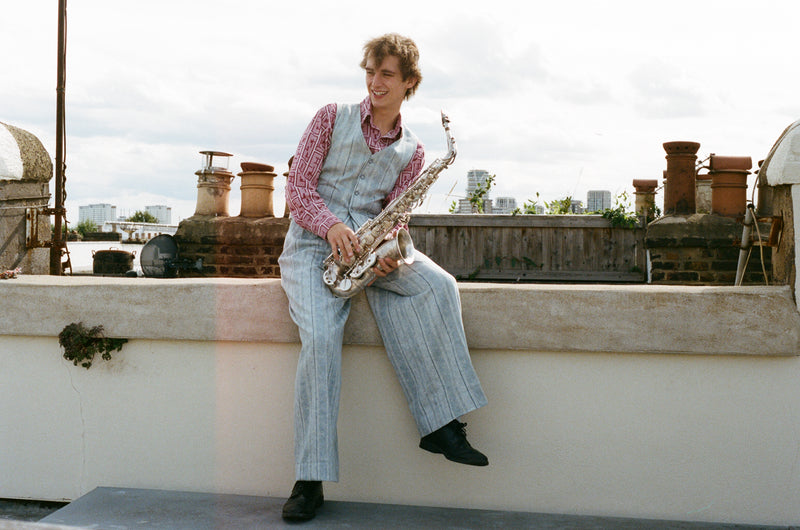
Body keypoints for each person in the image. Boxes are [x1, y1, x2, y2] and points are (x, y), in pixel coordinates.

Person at [278, 33, 488, 522]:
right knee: (323, 340)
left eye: (387, 74)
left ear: (409, 83)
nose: (375, 82)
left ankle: (439, 424)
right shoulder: (330, 117)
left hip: (368, 250)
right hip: (313, 248)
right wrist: (330, 226)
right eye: (371, 72)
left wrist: (390, 251)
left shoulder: (413, 151)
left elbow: (398, 215)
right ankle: (309, 480)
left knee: (438, 285)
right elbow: (298, 187)